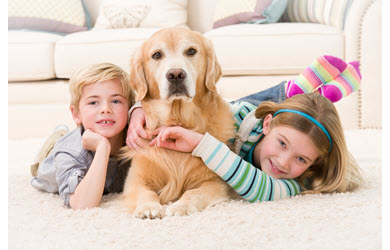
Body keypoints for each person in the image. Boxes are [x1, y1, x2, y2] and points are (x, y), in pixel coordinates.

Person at [127, 55, 364, 201]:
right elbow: (186, 102)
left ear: (313, 163)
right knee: (235, 105)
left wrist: (201, 143)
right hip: (247, 119)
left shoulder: (302, 180)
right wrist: (138, 108)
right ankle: (294, 90)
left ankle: (308, 95)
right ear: (269, 125)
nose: (283, 162)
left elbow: (258, 190)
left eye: (301, 159)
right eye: (282, 144)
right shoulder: (239, 119)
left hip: (263, 127)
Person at [30, 63, 135, 210]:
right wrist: (102, 147)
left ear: (130, 108)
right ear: (75, 114)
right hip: (51, 162)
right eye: (93, 102)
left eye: (116, 101)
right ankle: (58, 134)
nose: (106, 109)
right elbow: (82, 204)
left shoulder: (136, 136)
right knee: (48, 154)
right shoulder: (69, 152)